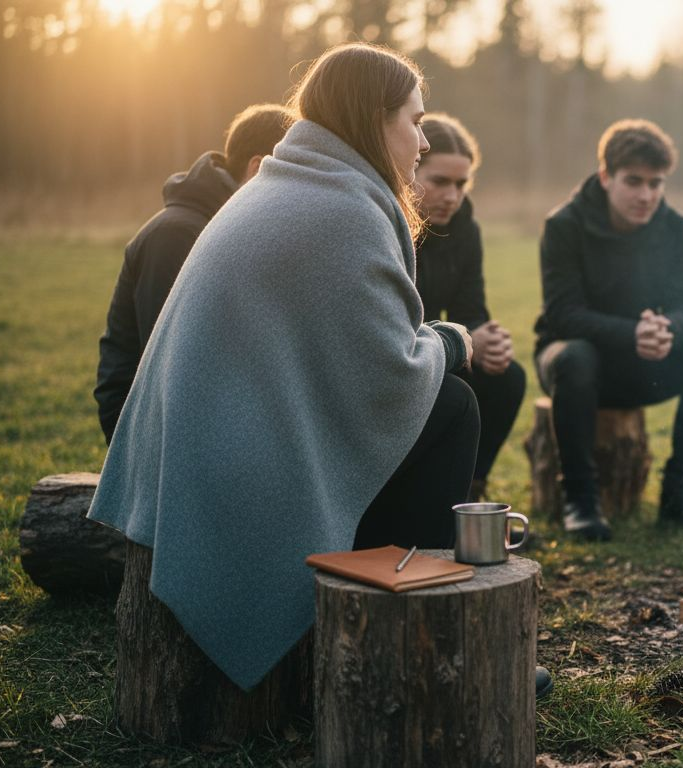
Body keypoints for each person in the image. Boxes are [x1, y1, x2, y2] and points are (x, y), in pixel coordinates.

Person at [88, 43, 480, 691]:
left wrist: (433, 343)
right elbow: (392, 373)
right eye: (414, 120)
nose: (422, 140)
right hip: (233, 466)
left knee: (437, 402)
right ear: (371, 118)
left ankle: (383, 604)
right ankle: (416, 642)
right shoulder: (340, 206)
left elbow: (348, 353)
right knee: (453, 404)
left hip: (206, 448)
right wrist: (454, 343)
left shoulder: (292, 182)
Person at [534, 118, 683, 540]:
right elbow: (563, 314)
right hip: (573, 365)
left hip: (643, 364)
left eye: (656, 184)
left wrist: (668, 330)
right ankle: (581, 501)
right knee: (575, 356)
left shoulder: (677, 228)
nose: (646, 195)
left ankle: (681, 493)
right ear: (606, 177)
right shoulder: (563, 225)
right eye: (634, 181)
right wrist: (631, 333)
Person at [94, 104, 294, 443]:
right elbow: (171, 366)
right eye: (290, 173)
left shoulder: (230, 228)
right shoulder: (176, 235)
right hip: (142, 423)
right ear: (258, 167)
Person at [414, 114, 526, 501]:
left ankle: (470, 492)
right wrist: (464, 337)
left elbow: (471, 307)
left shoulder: (465, 227)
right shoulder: (388, 224)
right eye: (440, 181)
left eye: (462, 184)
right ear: (411, 170)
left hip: (444, 348)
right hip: (406, 355)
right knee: (453, 393)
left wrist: (487, 340)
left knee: (508, 376)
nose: (453, 196)